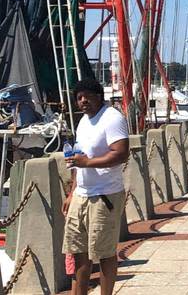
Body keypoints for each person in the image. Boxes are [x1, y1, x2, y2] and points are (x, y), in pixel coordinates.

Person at [62, 77, 129, 295]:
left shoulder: (112, 118)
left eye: (87, 97)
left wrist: (88, 163)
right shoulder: (83, 121)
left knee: (105, 253)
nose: (83, 101)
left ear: (99, 96)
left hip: (104, 195)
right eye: (79, 98)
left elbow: (121, 153)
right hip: (81, 195)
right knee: (78, 252)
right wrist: (71, 192)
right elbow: (77, 159)